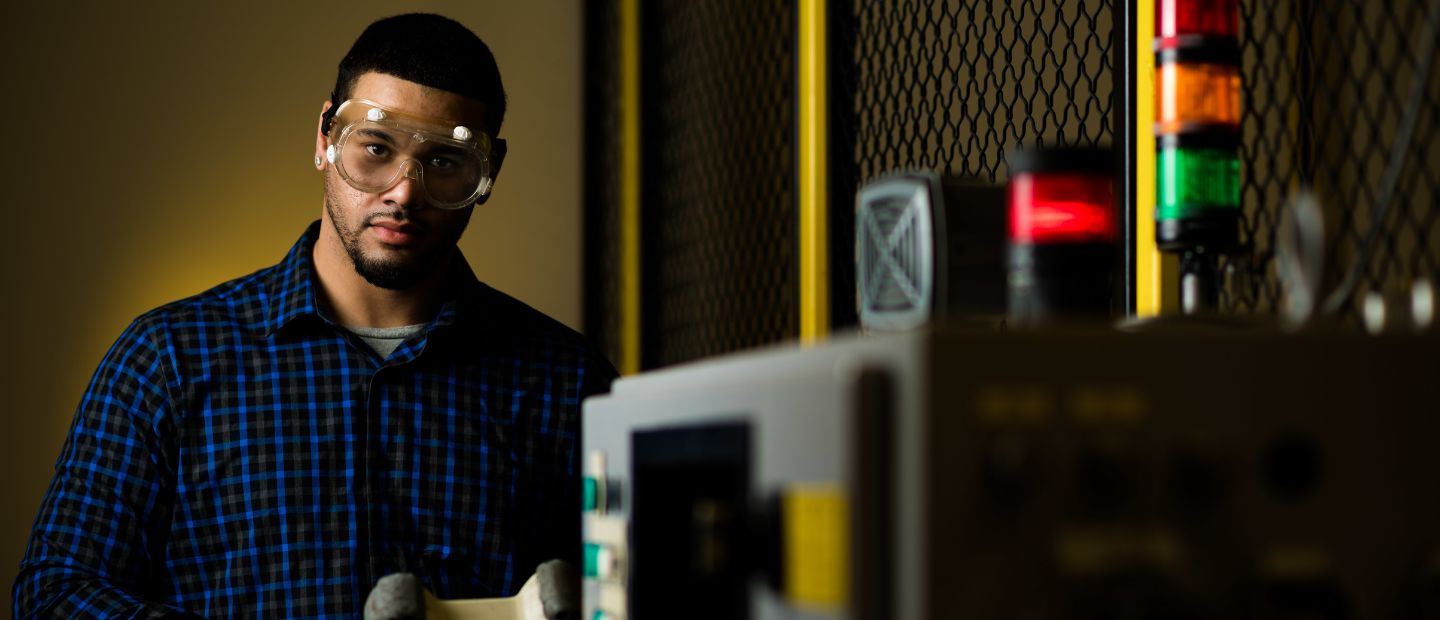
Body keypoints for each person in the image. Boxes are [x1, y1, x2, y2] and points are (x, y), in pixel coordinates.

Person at [14, 13, 616, 618]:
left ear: (489, 173)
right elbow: (57, 594)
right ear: (325, 138)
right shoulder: (168, 359)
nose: (404, 192)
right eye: (376, 149)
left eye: (444, 162)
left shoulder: (568, 381)